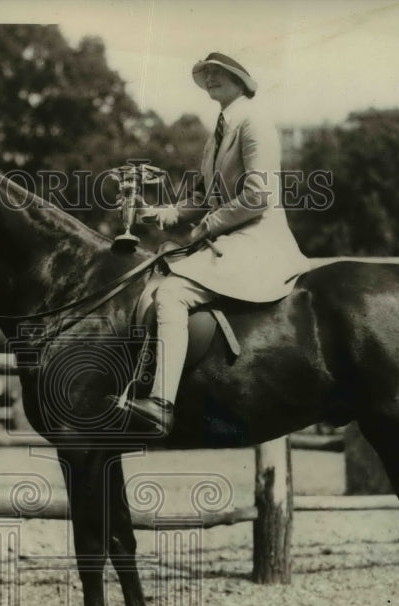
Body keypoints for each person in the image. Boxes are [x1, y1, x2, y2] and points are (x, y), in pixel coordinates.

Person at [120, 52, 311, 436]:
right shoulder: (219, 133)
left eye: (218, 73)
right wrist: (160, 215)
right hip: (232, 238)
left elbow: (259, 195)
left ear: (241, 81)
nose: (210, 78)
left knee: (172, 293)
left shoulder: (254, 122)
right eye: (206, 74)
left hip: (258, 240)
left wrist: (208, 225)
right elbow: (206, 196)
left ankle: (160, 403)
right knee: (155, 274)